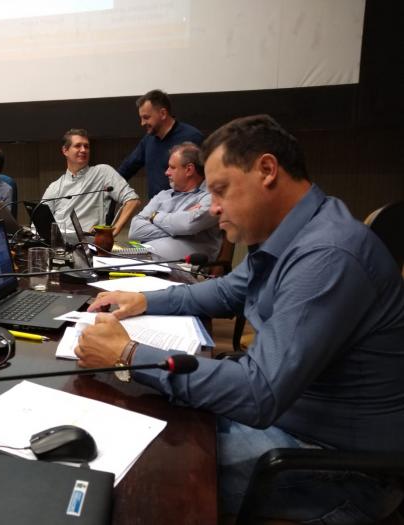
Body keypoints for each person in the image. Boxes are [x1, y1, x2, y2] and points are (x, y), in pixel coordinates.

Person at [76, 115, 404, 523]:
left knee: (151, 470)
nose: (213, 207)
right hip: (293, 421)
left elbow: (258, 392)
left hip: (336, 464)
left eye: (220, 190)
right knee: (152, 417)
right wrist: (143, 300)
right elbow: (226, 291)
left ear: (267, 170)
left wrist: (127, 354)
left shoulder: (327, 255)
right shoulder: (296, 233)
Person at [128, 142, 222, 261]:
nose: (166, 172)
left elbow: (188, 226)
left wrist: (155, 216)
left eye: (172, 167)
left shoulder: (211, 197)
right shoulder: (162, 195)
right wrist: (176, 227)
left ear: (189, 170)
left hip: (186, 267)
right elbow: (135, 231)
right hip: (143, 258)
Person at [41, 129, 141, 236]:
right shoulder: (54, 186)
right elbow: (39, 222)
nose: (83, 150)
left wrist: (111, 232)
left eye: (86, 146)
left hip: (87, 242)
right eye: (78, 146)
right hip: (57, 242)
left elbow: (133, 201)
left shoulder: (102, 172)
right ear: (65, 151)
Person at [118, 89, 203, 199]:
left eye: (146, 117)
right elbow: (127, 168)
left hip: (186, 206)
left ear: (163, 113)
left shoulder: (193, 137)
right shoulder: (148, 140)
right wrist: (108, 187)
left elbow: (206, 176)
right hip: (155, 207)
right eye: (141, 118)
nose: (142, 123)